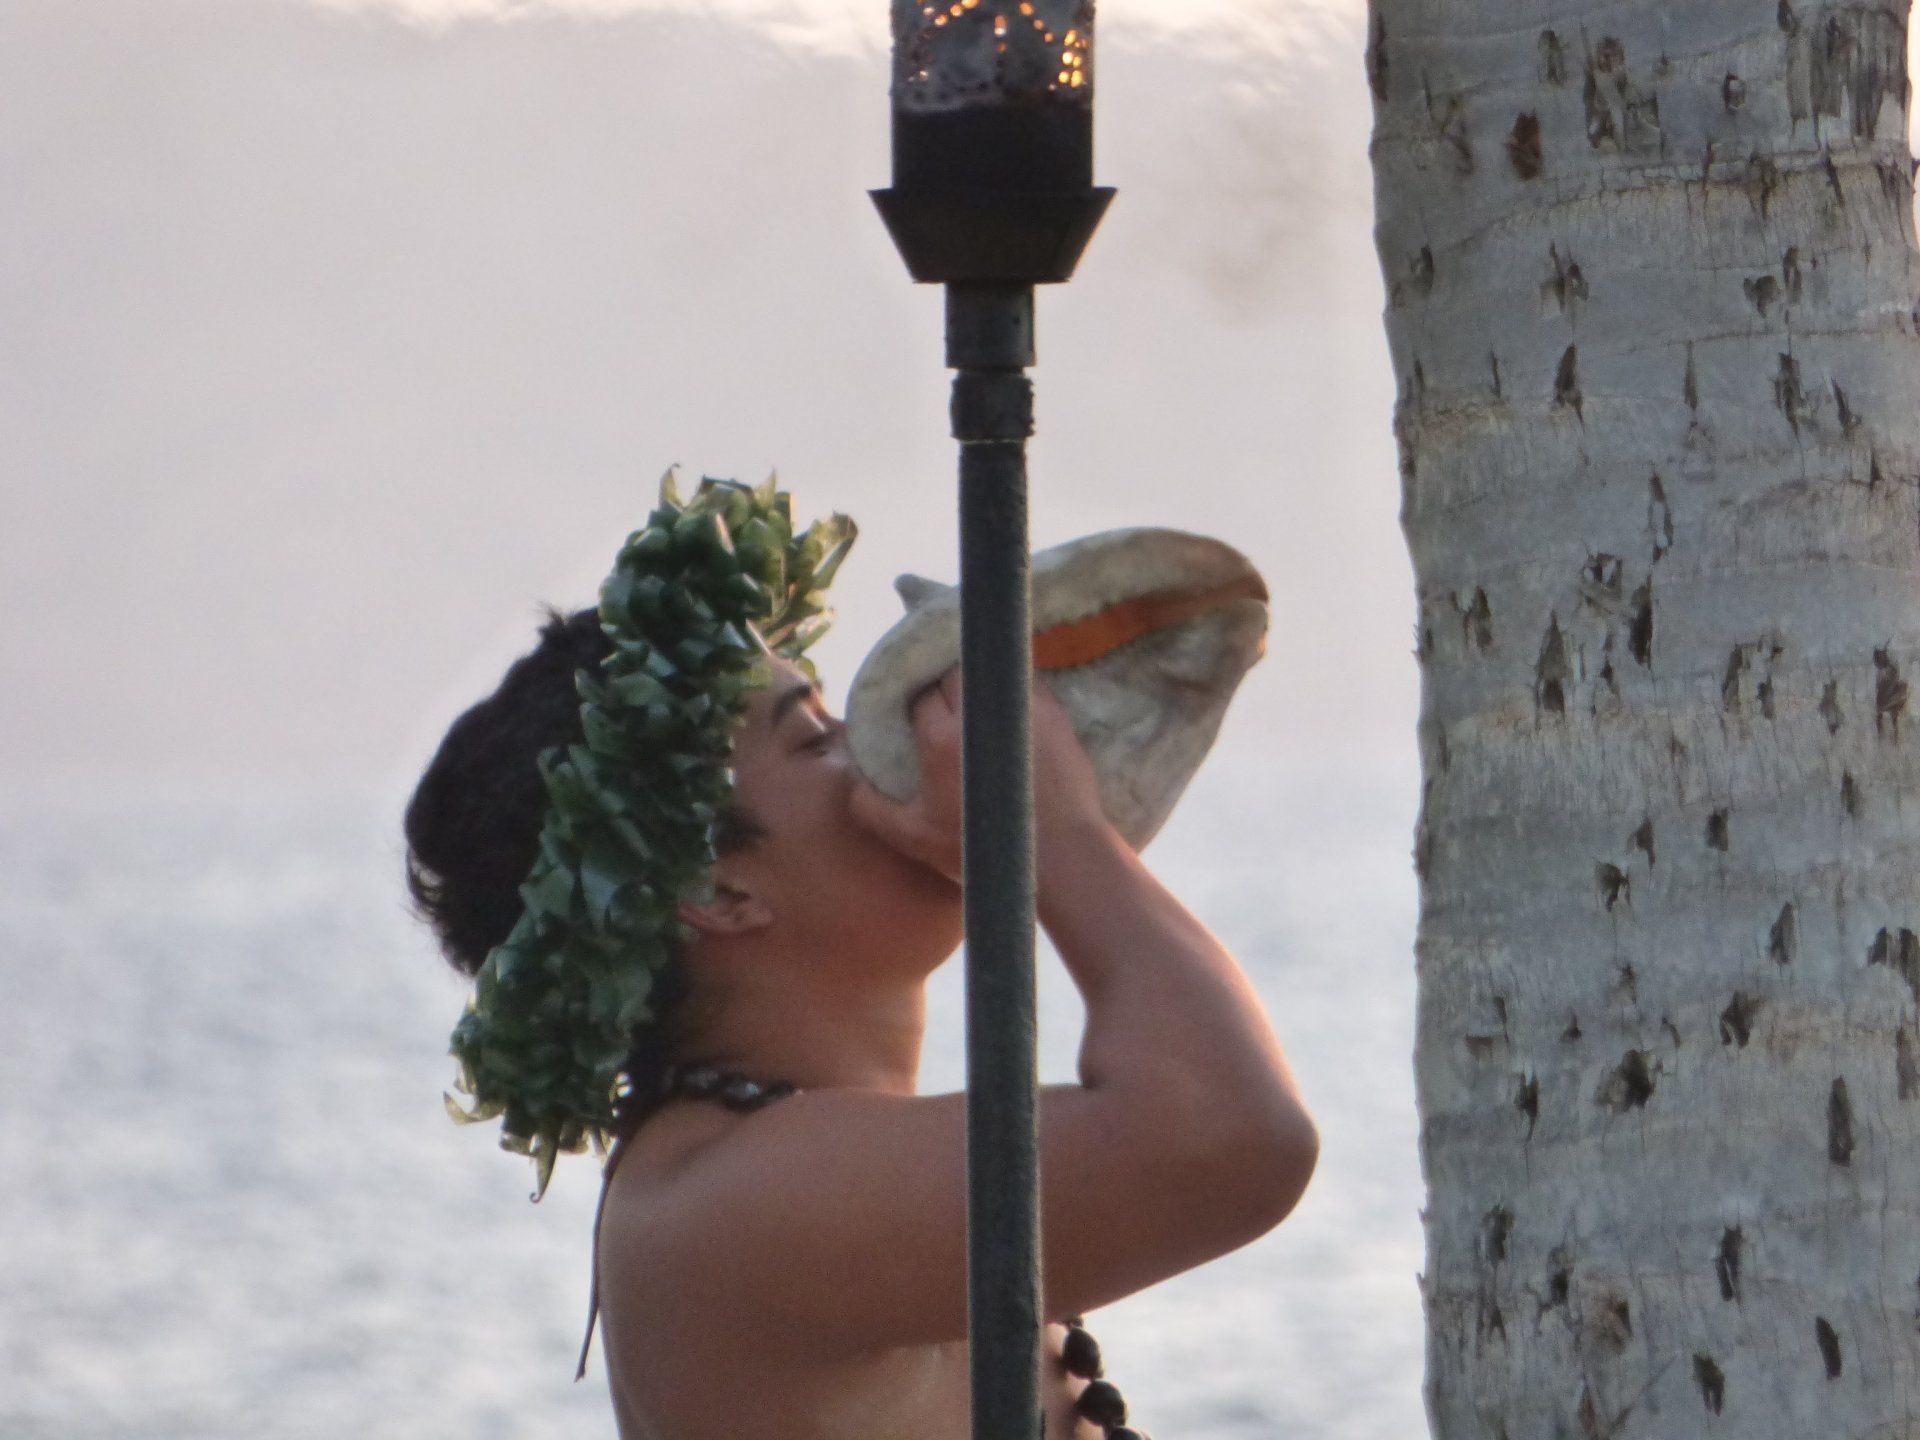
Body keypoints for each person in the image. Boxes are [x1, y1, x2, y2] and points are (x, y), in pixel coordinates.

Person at [404, 498, 1319, 1439]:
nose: (906, 747)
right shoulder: (732, 1209)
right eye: (816, 739)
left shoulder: (766, 1163)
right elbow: (1232, 1137)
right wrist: (1053, 833)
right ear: (716, 894)